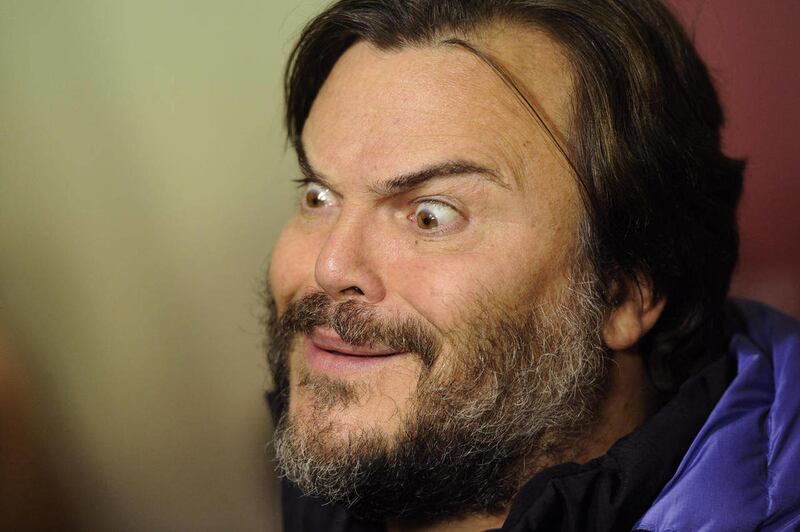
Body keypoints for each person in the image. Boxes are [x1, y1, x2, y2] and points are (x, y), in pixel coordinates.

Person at [263, 1, 800, 530]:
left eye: (432, 215)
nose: (330, 268)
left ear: (626, 292)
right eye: (318, 196)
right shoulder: (361, 477)